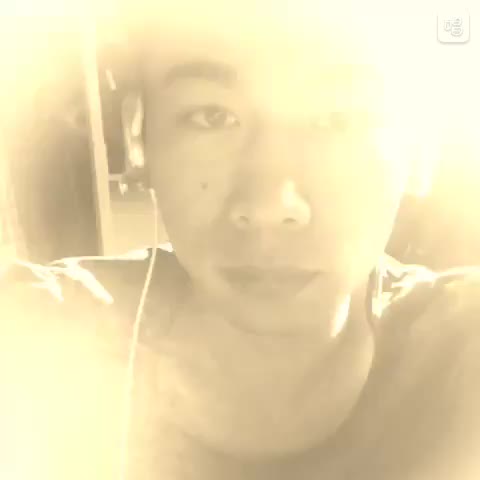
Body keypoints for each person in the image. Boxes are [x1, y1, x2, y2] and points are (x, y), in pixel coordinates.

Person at [1, 3, 480, 479]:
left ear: (420, 147)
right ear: (139, 138)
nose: (271, 204)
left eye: (339, 118)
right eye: (211, 116)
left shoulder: (463, 351)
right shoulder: (34, 344)